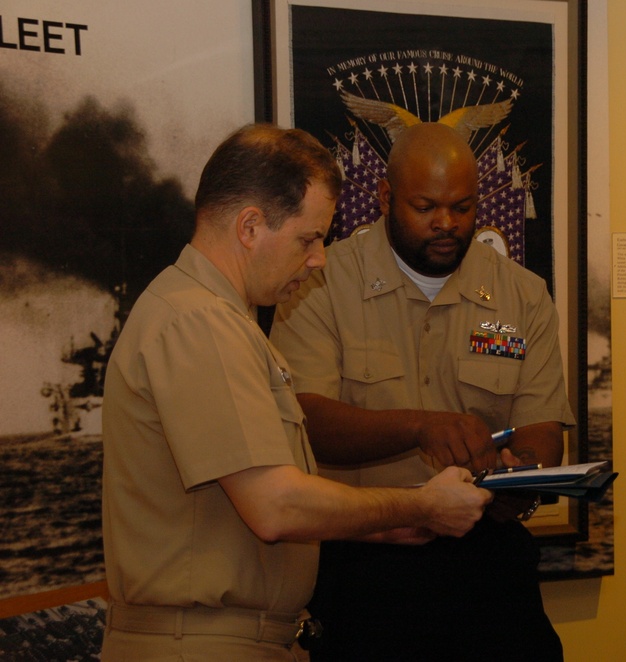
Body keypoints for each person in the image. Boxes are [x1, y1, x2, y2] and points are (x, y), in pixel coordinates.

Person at [100, 124, 492, 661]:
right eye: (309, 239)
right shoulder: (200, 323)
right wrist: (422, 505)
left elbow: (232, 511)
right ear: (251, 227)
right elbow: (275, 506)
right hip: (203, 643)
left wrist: (380, 525)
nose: (318, 260)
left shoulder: (217, 321)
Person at [270, 122, 575, 661]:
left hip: (487, 564)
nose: (446, 223)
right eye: (425, 206)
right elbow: (305, 421)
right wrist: (421, 426)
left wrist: (519, 474)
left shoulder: (522, 295)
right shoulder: (320, 282)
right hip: (369, 562)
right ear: (385, 197)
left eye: (462, 207)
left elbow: (543, 428)